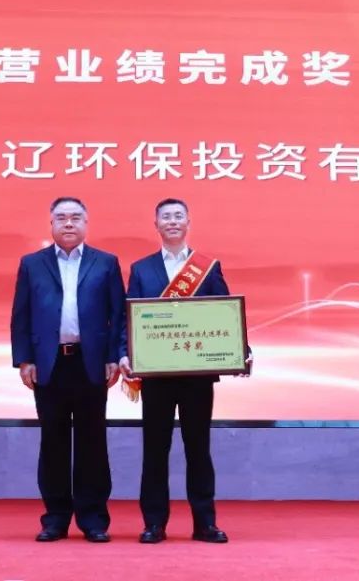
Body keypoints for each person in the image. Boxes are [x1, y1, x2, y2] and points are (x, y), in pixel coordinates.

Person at [119, 198, 251, 544]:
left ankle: (205, 523)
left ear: (188, 222)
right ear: (156, 225)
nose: (173, 221)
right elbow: (128, 318)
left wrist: (242, 351)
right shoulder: (141, 269)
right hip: (156, 377)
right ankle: (154, 523)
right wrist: (125, 354)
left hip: (197, 377)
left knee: (198, 449)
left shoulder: (207, 267)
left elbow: (225, 314)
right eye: (166, 217)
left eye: (178, 216)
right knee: (155, 451)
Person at [10, 197, 125, 543]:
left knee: (93, 442)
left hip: (91, 364)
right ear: (52, 225)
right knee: (53, 442)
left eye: (76, 217)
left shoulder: (106, 263)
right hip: (49, 364)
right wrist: (25, 359)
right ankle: (55, 519)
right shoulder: (32, 264)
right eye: (61, 218)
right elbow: (21, 315)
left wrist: (113, 356)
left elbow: (118, 315)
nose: (69, 223)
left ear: (86, 223)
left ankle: (93, 519)